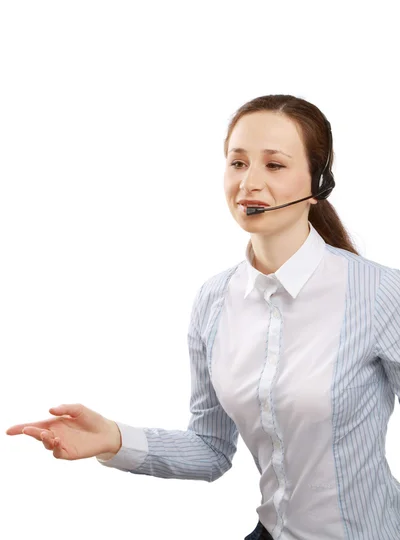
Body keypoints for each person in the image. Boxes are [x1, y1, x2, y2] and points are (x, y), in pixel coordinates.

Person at [5, 94, 400, 539]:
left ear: (319, 183)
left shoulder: (381, 294)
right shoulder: (214, 301)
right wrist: (113, 439)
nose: (249, 183)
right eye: (237, 163)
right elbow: (211, 448)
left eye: (274, 165)